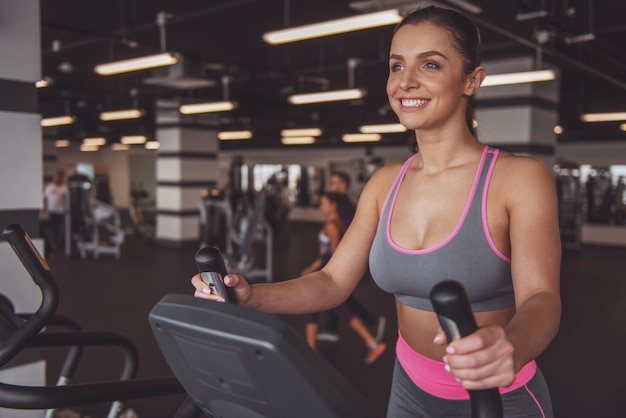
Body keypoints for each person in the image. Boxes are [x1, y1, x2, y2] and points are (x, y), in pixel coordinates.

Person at [193, 6, 561, 417]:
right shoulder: (385, 183)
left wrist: (511, 345)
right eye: (396, 65)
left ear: (471, 80)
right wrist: (250, 296)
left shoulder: (519, 178)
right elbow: (332, 281)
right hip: (409, 391)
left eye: (431, 64)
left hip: (498, 398)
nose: (406, 82)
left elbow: (541, 298)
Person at [301, 191, 386, 364]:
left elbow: (334, 254)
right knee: (316, 308)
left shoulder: (333, 225)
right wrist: (310, 269)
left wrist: (320, 275)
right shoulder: (331, 223)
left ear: (333, 205)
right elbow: (322, 255)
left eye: (324, 203)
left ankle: (372, 343)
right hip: (323, 272)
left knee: (338, 310)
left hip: (329, 275)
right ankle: (311, 351)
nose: (321, 207)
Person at [317, 170, 386, 344]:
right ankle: (332, 329)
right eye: (330, 183)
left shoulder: (345, 206)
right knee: (335, 297)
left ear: (344, 186)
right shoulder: (338, 203)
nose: (330, 186)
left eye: (334, 183)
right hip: (343, 255)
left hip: (349, 257)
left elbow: (353, 233)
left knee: (341, 297)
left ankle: (372, 322)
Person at [43, 171, 67, 251]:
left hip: (60, 211)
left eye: (58, 178)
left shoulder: (64, 188)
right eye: (56, 178)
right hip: (51, 210)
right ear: (54, 178)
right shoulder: (49, 187)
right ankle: (55, 240)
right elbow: (45, 198)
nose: (57, 179)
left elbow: (67, 199)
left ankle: (56, 241)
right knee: (52, 226)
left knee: (57, 226)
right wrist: (44, 207)